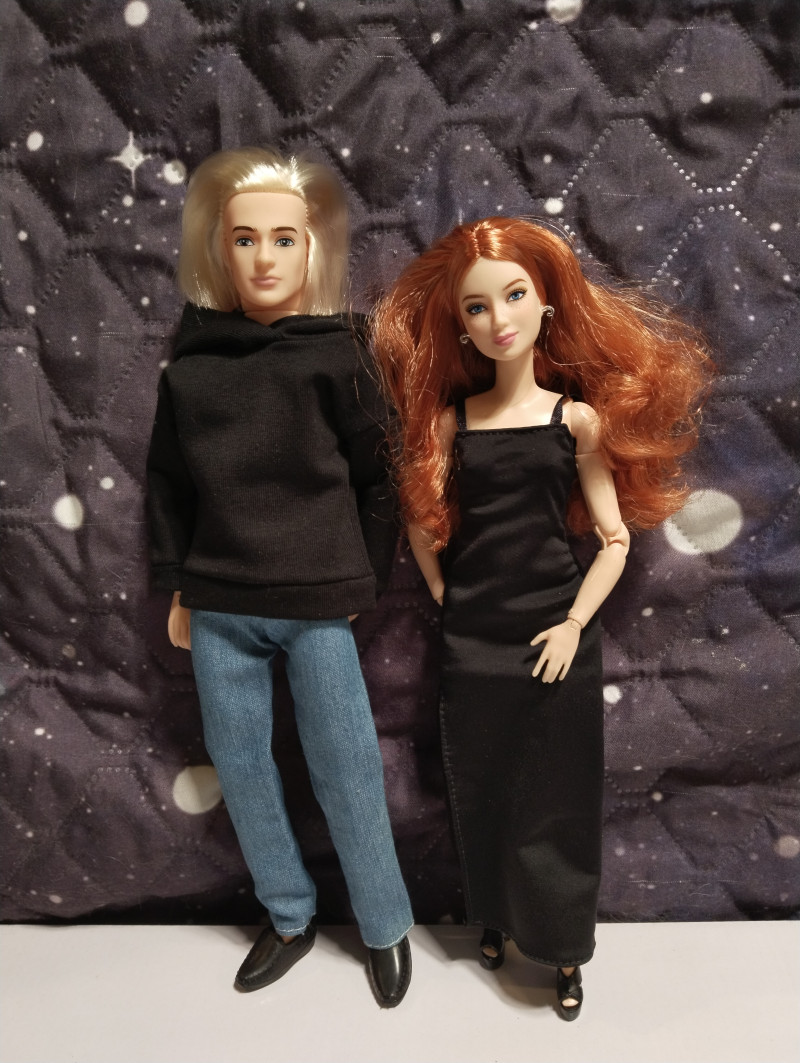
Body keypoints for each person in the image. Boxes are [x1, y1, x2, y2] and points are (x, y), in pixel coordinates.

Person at [370, 216, 711, 1019]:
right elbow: (420, 522)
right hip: (475, 640)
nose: (499, 319)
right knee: (480, 787)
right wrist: (444, 592)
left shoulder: (574, 421)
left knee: (557, 798)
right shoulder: (454, 423)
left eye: (514, 295)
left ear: (547, 302)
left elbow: (615, 540)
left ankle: (561, 948)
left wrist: (572, 624)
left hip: (556, 635)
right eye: (477, 306)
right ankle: (493, 918)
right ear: (460, 324)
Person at [146, 147, 413, 1008]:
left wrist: (364, 578)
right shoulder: (194, 367)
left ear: (313, 247)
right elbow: (169, 484)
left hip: (317, 600)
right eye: (245, 239)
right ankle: (289, 914)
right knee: (242, 765)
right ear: (220, 249)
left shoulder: (340, 353)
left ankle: (385, 924)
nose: (264, 257)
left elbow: (381, 476)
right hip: (220, 600)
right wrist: (178, 584)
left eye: (284, 238)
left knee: (346, 764)